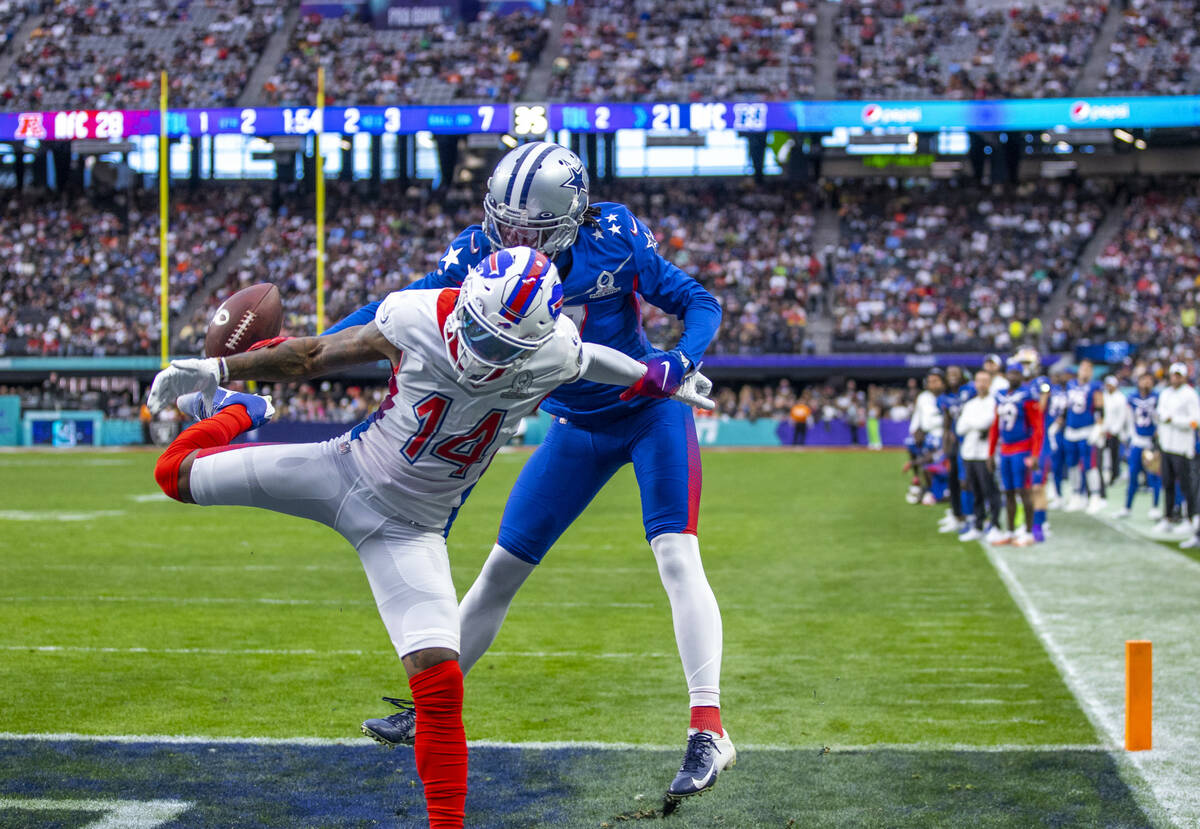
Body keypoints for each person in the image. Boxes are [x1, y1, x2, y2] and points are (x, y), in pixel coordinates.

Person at [144, 250, 715, 829]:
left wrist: (656, 377)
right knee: (174, 474)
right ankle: (243, 411)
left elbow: (591, 357)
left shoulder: (556, 350)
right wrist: (220, 373)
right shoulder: (417, 315)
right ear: (466, 301)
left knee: (440, 683)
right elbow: (315, 352)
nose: (483, 354)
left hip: (411, 530)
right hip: (342, 470)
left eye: (503, 346)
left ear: (539, 336)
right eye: (480, 333)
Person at [324, 143, 733, 801]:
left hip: (650, 412)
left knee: (677, 555)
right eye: (504, 224)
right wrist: (307, 351)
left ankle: (708, 727)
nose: (511, 241)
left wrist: (681, 360)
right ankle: (428, 705)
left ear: (570, 219)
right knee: (500, 570)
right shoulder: (474, 256)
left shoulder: (615, 237)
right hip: (575, 428)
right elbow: (386, 319)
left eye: (529, 230)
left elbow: (697, 299)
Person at [987, 358, 1043, 546]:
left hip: (1022, 449)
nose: (1012, 376)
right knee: (1008, 492)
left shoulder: (1028, 395)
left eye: (1016, 373)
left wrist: (1035, 453)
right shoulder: (1000, 395)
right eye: (1010, 373)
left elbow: (1037, 427)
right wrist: (990, 452)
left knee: (1023, 491)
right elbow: (995, 426)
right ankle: (1010, 531)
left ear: (1022, 375)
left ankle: (1028, 532)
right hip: (1005, 450)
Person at [1154, 362, 1200, 536]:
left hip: (1183, 447)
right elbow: (1160, 414)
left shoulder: (1190, 395)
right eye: (1174, 374)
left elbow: (1195, 421)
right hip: (1167, 445)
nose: (1175, 378)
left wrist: (1173, 420)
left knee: (1187, 485)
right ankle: (1168, 518)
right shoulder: (1165, 393)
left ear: (1184, 377)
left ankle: (1190, 518)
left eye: (1179, 375)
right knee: (1167, 483)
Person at [957, 370, 1000, 542]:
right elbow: (960, 427)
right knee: (975, 491)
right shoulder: (970, 404)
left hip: (985, 454)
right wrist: (975, 424)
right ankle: (978, 524)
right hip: (969, 452)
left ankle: (995, 525)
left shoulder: (994, 402)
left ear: (990, 383)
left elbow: (987, 421)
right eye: (979, 380)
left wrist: (972, 423)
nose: (981, 384)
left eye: (985, 380)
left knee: (990, 490)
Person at [936, 365, 976, 535]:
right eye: (949, 373)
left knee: (968, 481)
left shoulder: (970, 390)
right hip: (955, 443)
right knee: (954, 480)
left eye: (955, 373)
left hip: (970, 440)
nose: (952, 376)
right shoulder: (944, 397)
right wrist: (945, 443)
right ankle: (958, 515)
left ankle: (972, 517)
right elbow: (946, 421)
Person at [1062, 359, 1105, 513]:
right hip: (1071, 430)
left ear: (1092, 372)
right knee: (1072, 464)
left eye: (1088, 369)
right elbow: (1066, 407)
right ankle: (1076, 494)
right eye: (1083, 368)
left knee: (1089, 464)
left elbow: (1100, 408)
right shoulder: (1070, 384)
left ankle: (1095, 495)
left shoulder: (1095, 386)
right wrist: (1060, 423)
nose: (1085, 371)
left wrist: (1099, 427)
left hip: (1087, 429)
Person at [1118, 372, 1162, 520]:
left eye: (1149, 379)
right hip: (1137, 441)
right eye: (1144, 379)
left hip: (1151, 443)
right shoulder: (1132, 397)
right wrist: (1129, 438)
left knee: (1153, 477)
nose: (1146, 382)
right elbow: (1128, 419)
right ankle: (1127, 507)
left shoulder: (1158, 397)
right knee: (1133, 475)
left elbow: (1159, 419)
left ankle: (1155, 507)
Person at [1102, 374, 1129, 488]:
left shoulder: (1120, 398)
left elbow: (1122, 417)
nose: (1108, 387)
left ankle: (1115, 475)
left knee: (1115, 455)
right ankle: (1107, 475)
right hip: (1104, 431)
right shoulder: (1104, 396)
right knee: (1105, 454)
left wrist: (1114, 430)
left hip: (1116, 432)